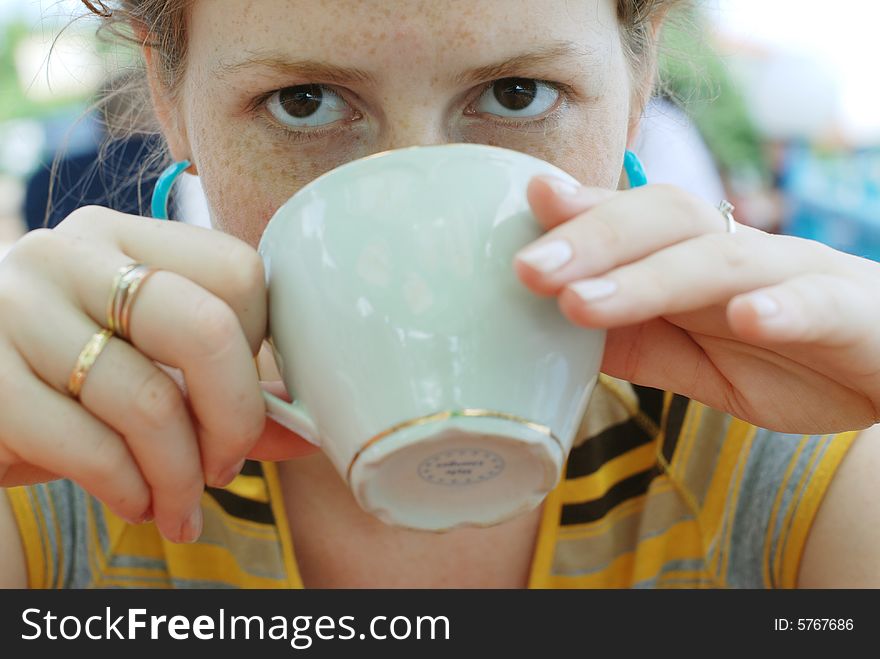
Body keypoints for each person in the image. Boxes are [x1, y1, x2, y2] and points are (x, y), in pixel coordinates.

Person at [0, 0, 878, 589]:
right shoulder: (62, 469)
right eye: (303, 101)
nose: (412, 218)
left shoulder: (791, 459)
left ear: (638, 81)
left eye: (517, 92)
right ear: (170, 96)